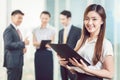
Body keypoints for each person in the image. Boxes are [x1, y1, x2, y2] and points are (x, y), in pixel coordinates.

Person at [59, 4, 114, 80]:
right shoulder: (80, 41)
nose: (89, 23)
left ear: (102, 21)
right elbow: (75, 70)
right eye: (87, 19)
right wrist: (65, 64)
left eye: (94, 19)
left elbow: (110, 74)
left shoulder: (106, 44)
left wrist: (87, 69)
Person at [3, 10, 29, 80]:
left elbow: (16, 44)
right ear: (12, 17)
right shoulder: (9, 30)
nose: (20, 20)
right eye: (19, 18)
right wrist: (23, 43)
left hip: (18, 62)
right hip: (12, 62)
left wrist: (23, 47)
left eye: (21, 18)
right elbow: (8, 45)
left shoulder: (16, 30)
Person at [58, 10, 82, 80]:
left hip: (73, 62)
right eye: (60, 19)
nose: (61, 21)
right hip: (63, 62)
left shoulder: (78, 30)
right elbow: (59, 45)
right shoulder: (61, 32)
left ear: (69, 19)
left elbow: (80, 46)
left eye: (63, 19)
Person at [32, 11, 55, 80]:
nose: (44, 20)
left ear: (49, 19)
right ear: (40, 18)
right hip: (38, 54)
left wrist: (39, 43)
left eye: (46, 18)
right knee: (39, 74)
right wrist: (44, 43)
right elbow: (34, 43)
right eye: (42, 18)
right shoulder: (35, 30)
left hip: (48, 54)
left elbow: (50, 44)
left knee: (48, 74)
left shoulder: (52, 29)